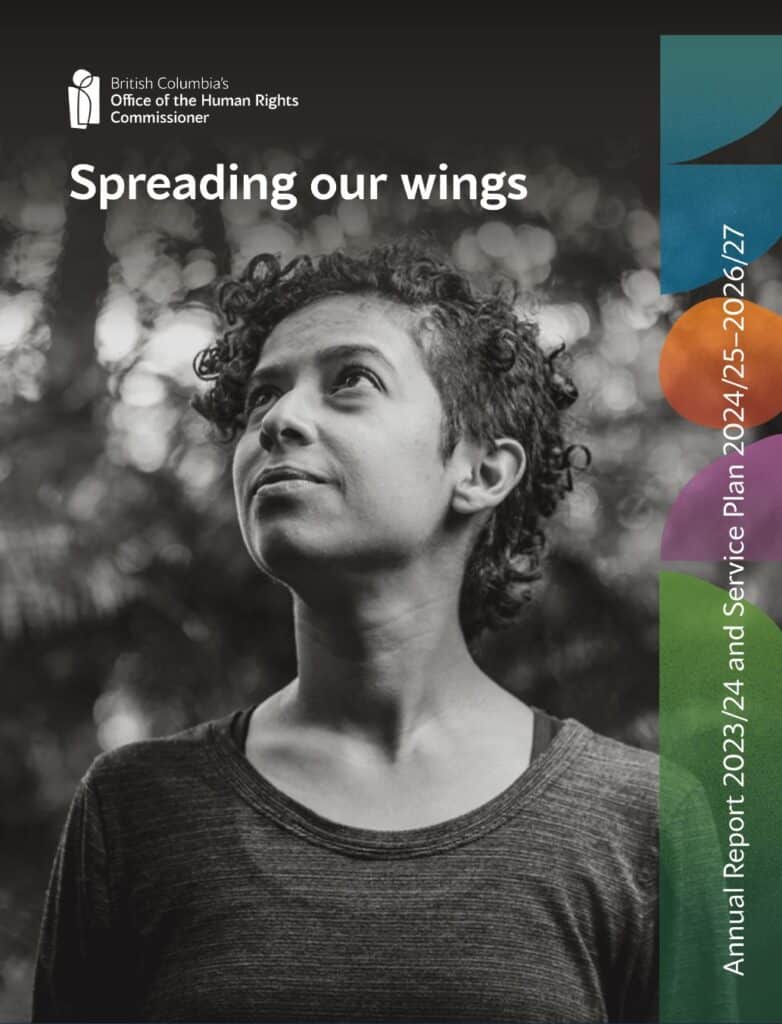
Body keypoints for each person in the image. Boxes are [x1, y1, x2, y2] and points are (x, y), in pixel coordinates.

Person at [31, 241, 721, 1022]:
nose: (279, 421)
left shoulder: (643, 822)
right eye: (262, 398)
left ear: (482, 472)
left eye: (351, 380)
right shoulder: (137, 810)